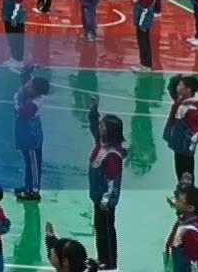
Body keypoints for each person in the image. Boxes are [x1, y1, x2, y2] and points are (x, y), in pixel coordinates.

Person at [87, 100, 125, 271]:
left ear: (111, 132)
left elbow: (112, 180)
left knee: (107, 231)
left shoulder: (112, 155)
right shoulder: (101, 144)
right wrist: (93, 113)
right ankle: (102, 258)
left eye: (103, 126)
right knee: (100, 228)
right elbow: (94, 128)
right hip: (97, 196)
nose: (100, 128)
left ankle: (109, 262)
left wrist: (106, 199)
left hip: (105, 201)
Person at [13, 71, 51, 201]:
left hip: (31, 139)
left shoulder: (35, 103)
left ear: (36, 91)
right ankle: (27, 186)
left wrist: (17, 100)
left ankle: (34, 191)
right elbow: (25, 82)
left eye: (30, 86)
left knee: (33, 165)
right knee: (28, 163)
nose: (27, 86)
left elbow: (21, 112)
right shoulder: (30, 93)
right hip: (25, 136)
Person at [165, 75, 198, 192]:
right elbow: (172, 88)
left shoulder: (191, 109)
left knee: (186, 174)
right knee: (180, 172)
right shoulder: (182, 99)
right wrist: (177, 79)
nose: (178, 87)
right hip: (179, 146)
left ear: (188, 90)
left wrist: (188, 149)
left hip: (185, 149)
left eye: (180, 85)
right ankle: (182, 194)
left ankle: (187, 196)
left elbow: (196, 131)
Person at [167, 184, 198, 272]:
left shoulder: (188, 232)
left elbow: (197, 258)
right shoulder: (187, 219)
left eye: (178, 200)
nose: (175, 202)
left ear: (190, 208)